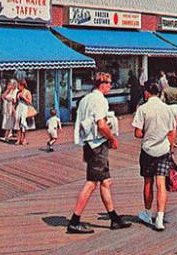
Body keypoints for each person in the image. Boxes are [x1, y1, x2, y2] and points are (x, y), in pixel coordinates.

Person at [67, 72, 130, 234]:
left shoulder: (86, 99)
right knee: (92, 183)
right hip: (97, 145)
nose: (111, 86)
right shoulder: (100, 100)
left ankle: (114, 218)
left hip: (89, 143)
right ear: (101, 84)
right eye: (109, 83)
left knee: (105, 181)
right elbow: (101, 124)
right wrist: (112, 139)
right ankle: (74, 220)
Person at [133, 81, 176, 231]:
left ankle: (147, 212)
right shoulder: (167, 109)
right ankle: (160, 218)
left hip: (148, 150)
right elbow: (171, 132)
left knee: (147, 183)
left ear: (146, 93)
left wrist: (148, 133)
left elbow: (137, 133)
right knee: (161, 184)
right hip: (163, 149)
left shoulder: (142, 109)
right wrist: (170, 146)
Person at [15, 80, 36, 146]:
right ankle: (18, 139)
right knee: (17, 122)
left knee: (23, 123)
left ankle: (24, 139)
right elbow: (16, 101)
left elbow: (30, 102)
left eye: (19, 86)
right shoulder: (18, 92)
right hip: (19, 107)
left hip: (24, 107)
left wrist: (24, 98)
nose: (18, 87)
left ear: (22, 86)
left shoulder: (27, 92)